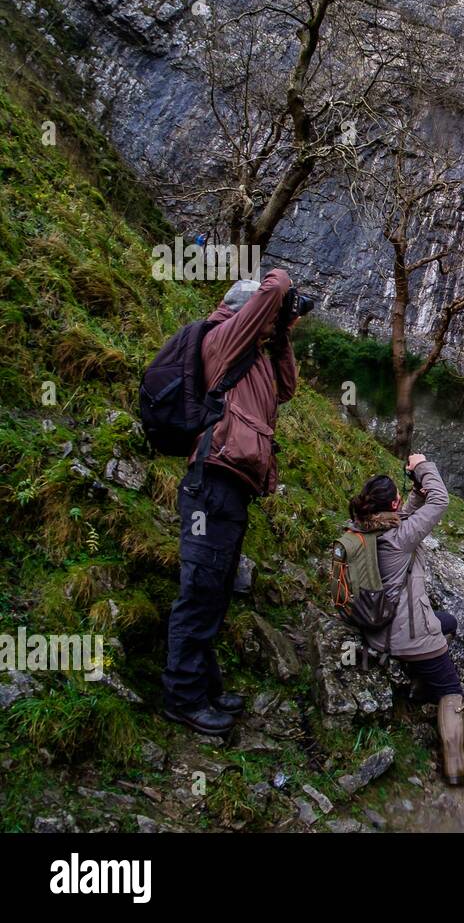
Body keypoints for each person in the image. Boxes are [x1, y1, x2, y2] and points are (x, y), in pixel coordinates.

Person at [162, 269, 299, 736]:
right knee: (199, 591)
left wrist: (282, 335)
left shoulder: (255, 354)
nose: (269, 324)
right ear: (248, 310)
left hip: (233, 488)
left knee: (216, 593)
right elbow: (275, 288)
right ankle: (182, 699)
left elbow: (287, 387)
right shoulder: (223, 338)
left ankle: (206, 687)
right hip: (210, 485)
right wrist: (280, 286)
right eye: (265, 319)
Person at [347, 455, 464, 787]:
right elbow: (441, 501)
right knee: (452, 691)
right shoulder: (401, 537)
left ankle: (421, 684)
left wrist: (413, 494)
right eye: (399, 498)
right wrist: (424, 466)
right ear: (391, 504)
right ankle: (456, 765)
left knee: (448, 622)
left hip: (378, 630)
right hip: (410, 635)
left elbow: (404, 518)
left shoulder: (363, 528)